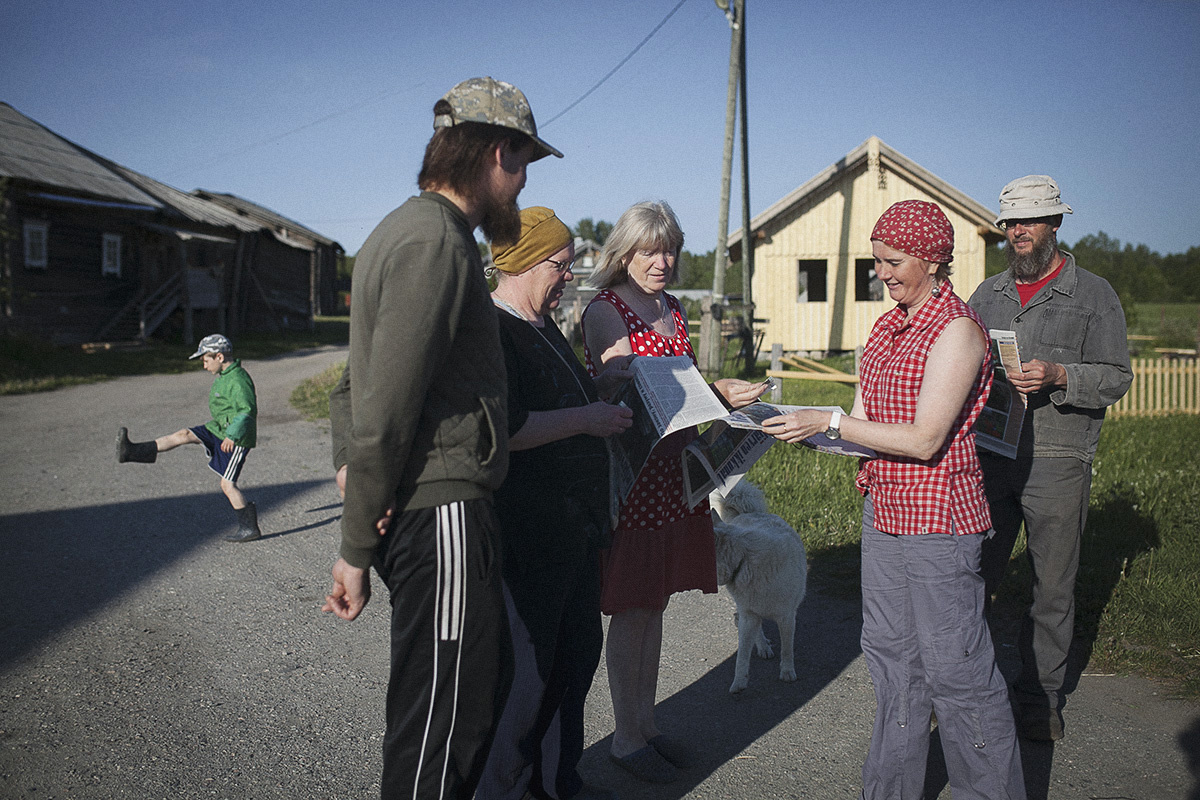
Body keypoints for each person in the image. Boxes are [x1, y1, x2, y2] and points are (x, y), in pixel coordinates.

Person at [321, 77, 561, 800]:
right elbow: (385, 406)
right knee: (442, 724)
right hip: (445, 512)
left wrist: (351, 475)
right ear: (496, 153)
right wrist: (355, 545)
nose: (519, 188)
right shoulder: (436, 242)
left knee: (465, 698)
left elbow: (350, 390)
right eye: (521, 166)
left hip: (431, 508)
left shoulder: (407, 231)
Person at [763, 200, 1024, 800]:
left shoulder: (958, 330)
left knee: (956, 671)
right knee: (891, 662)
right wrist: (796, 430)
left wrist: (828, 420)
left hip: (939, 519)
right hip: (885, 512)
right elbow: (861, 426)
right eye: (876, 260)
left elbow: (926, 438)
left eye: (893, 260)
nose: (882, 272)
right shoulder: (886, 327)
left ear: (932, 258)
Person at [581, 200, 766, 784]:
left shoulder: (673, 308)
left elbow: (681, 388)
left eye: (669, 250)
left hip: (674, 476)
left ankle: (647, 724)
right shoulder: (606, 309)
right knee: (632, 608)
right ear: (624, 253)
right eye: (648, 250)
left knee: (655, 605)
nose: (661, 261)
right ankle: (625, 737)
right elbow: (631, 392)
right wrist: (711, 389)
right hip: (633, 478)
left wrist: (726, 414)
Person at [475, 206, 633, 800]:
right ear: (521, 262)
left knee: (574, 663)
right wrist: (586, 418)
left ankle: (558, 782)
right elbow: (504, 429)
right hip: (529, 534)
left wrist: (602, 391)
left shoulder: (543, 325)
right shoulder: (493, 331)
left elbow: (564, 407)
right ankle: (507, 790)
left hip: (574, 531)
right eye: (560, 266)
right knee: (527, 680)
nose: (569, 277)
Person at [968, 175, 1132, 742]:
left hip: (1058, 459)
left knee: (1052, 587)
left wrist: (1061, 375)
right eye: (1012, 222)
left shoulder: (1095, 294)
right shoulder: (986, 295)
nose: (1019, 231)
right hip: (989, 457)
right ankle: (970, 691)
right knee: (972, 575)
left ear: (1056, 224)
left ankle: (1039, 701)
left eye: (1031, 220)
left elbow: (1116, 377)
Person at [115, 333, 261, 543]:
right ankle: (132, 451)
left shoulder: (239, 379)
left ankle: (249, 528)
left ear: (219, 357)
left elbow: (247, 411)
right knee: (183, 435)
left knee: (227, 485)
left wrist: (232, 435)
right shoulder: (225, 377)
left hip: (235, 439)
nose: (204, 366)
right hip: (219, 429)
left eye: (205, 360)